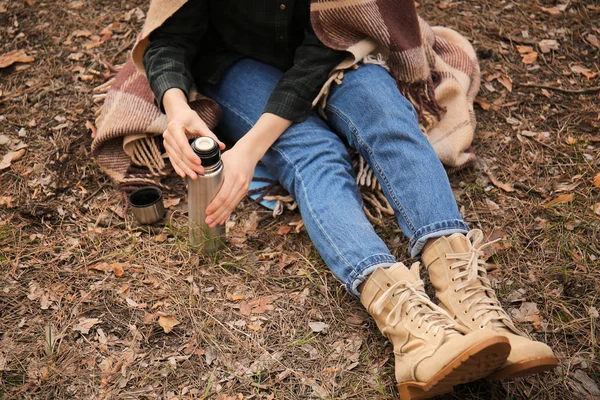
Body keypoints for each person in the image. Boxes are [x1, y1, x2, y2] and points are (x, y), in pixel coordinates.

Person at [140, 1, 557, 398]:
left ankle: (471, 301)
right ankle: (410, 332)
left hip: (339, 48)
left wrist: (249, 150)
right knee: (313, 153)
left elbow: (331, 38)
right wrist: (176, 108)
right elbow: (171, 35)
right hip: (237, 62)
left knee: (389, 121)